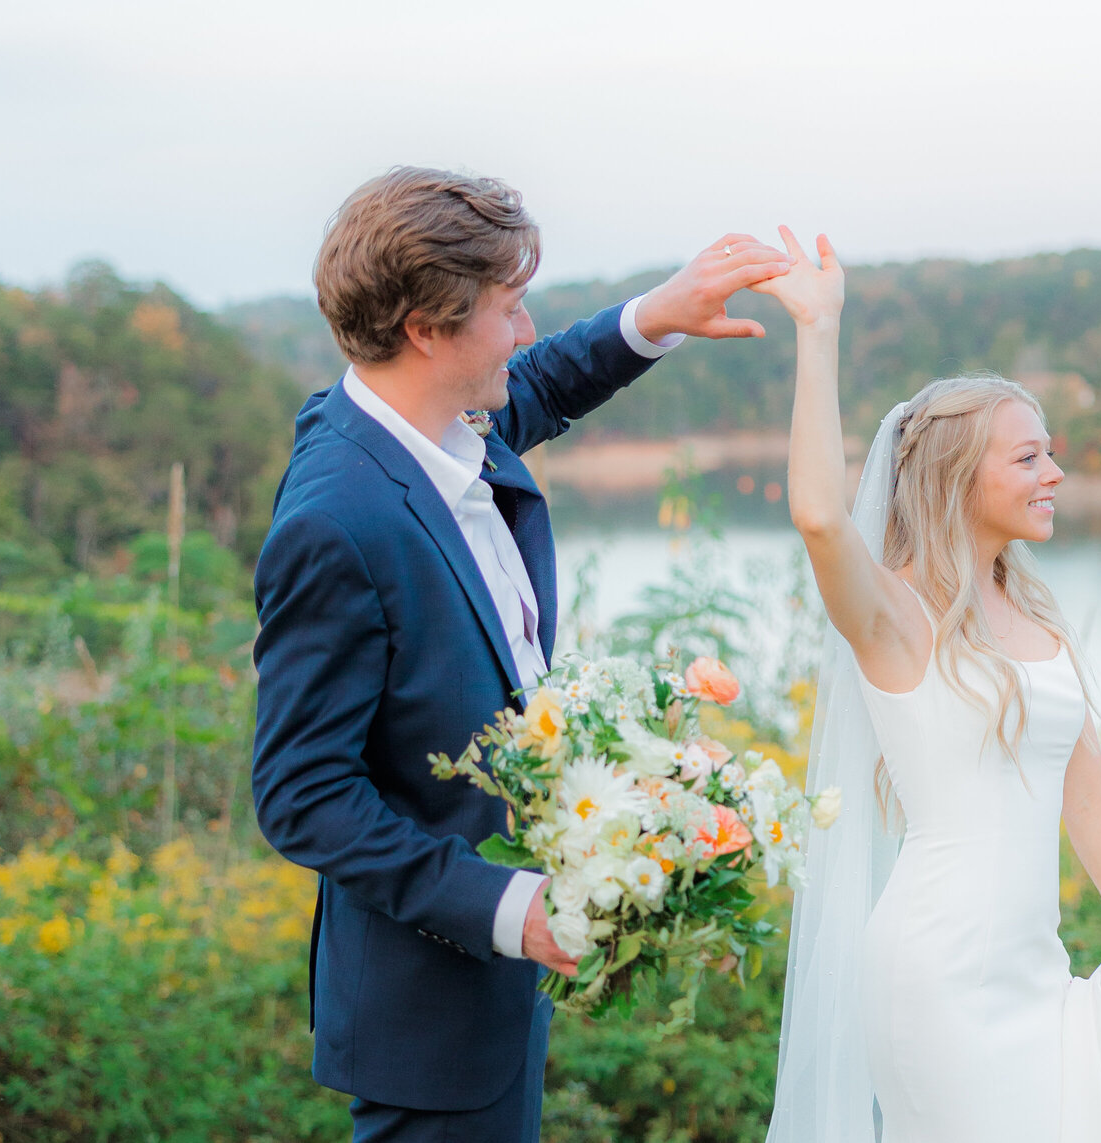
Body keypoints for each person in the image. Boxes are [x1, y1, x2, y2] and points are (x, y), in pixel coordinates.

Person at [251, 166, 791, 1143]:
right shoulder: (337, 520)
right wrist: (509, 907)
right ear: (426, 327)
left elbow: (529, 386)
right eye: (509, 306)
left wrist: (653, 316)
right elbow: (301, 795)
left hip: (489, 990)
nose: (529, 327)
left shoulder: (429, 422)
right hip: (430, 1003)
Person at [755, 228, 1101, 1142]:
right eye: (1028, 457)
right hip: (938, 972)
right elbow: (818, 515)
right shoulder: (894, 619)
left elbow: (1085, 792)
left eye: (1050, 453)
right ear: (955, 474)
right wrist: (819, 329)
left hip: (1035, 967)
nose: (1055, 473)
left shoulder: (1036, 617)